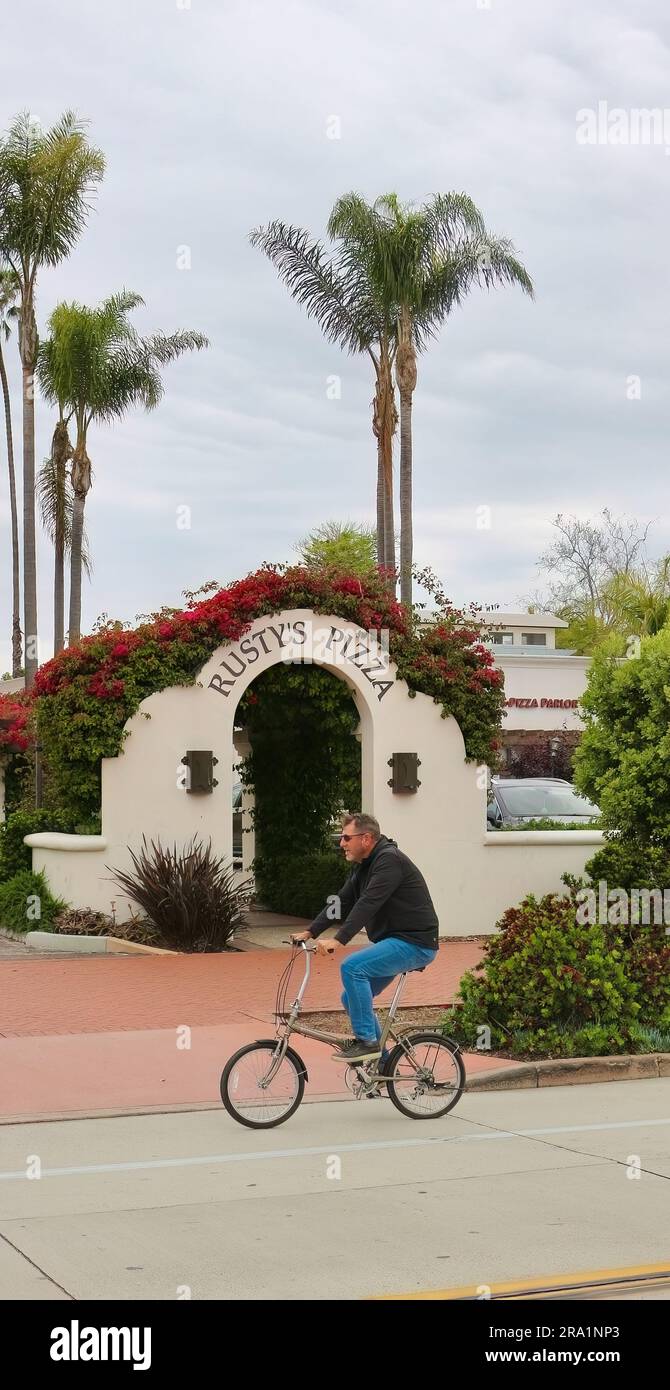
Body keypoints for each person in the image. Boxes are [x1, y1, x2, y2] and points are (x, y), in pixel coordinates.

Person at [292, 812, 439, 1062]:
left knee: (352, 967)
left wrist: (339, 940)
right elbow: (342, 901)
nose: (341, 843)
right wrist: (311, 931)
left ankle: (368, 1043)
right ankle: (382, 1064)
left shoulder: (389, 861)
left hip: (415, 943)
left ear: (367, 838)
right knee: (350, 998)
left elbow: (368, 903)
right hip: (394, 942)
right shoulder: (364, 866)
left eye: (346, 837)